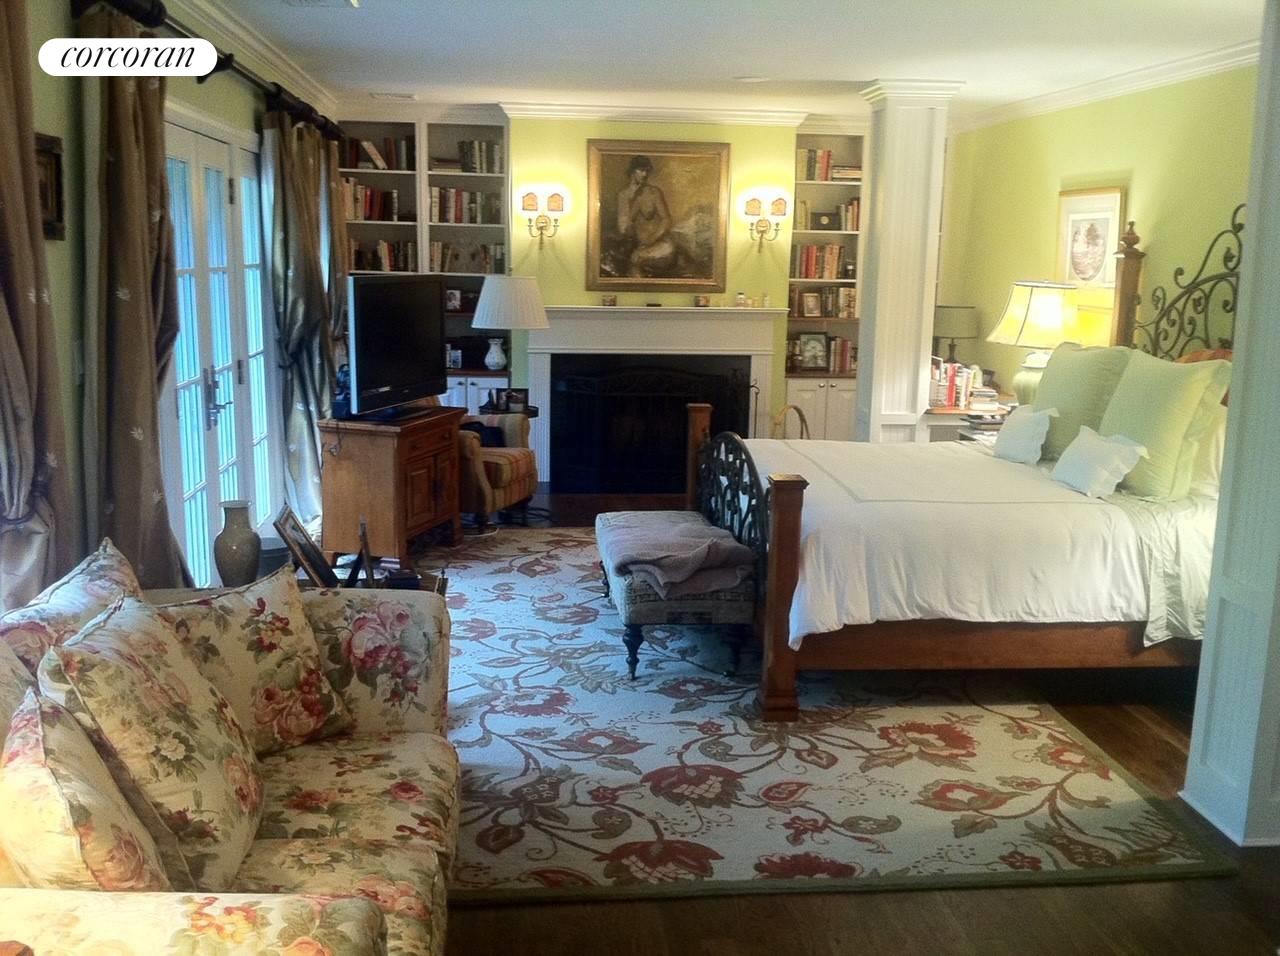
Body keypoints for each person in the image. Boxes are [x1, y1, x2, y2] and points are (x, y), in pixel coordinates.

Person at [615, 155, 676, 275]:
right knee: (632, 262)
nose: (645, 174)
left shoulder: (653, 192)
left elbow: (666, 220)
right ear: (632, 171)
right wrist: (635, 205)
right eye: (641, 170)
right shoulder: (623, 196)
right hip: (639, 246)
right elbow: (623, 228)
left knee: (636, 260)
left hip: (660, 244)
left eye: (647, 171)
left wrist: (651, 239)